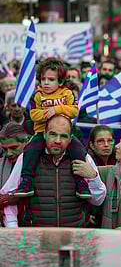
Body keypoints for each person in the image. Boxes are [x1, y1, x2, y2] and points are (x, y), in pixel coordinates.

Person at [7, 115, 106, 227]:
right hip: (37, 239)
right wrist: (13, 229)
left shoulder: (84, 159)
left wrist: (93, 176)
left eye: (63, 136)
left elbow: (98, 200)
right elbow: (8, 195)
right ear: (44, 134)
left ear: (70, 139)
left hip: (73, 239)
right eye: (53, 134)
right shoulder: (27, 158)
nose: (58, 141)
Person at [16, 58, 89, 198]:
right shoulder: (37, 95)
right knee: (30, 149)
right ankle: (26, 181)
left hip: (63, 133)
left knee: (78, 149)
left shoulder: (67, 93)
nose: (46, 83)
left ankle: (81, 182)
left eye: (51, 79)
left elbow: (74, 111)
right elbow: (33, 114)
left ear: (60, 81)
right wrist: (46, 114)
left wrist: (56, 109)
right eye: (43, 79)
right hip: (42, 132)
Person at [0, 123, 30, 227]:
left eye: (13, 147)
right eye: (5, 149)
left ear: (26, 142)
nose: (8, 153)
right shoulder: (1, 165)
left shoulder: (39, 162)